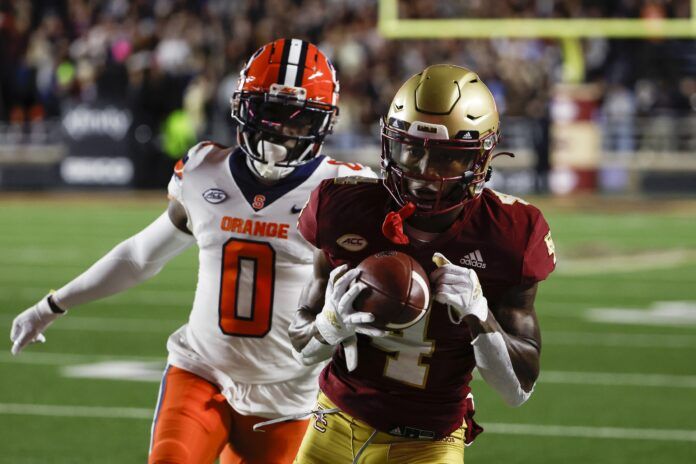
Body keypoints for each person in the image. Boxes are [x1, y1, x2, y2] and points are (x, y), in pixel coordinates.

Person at [9, 38, 374, 464]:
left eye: (297, 121)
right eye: (269, 112)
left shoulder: (345, 190)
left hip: (289, 397)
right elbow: (141, 255)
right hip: (200, 373)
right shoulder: (205, 171)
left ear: (323, 124)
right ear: (243, 106)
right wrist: (54, 303)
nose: (278, 131)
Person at [289, 64, 556, 463]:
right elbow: (301, 346)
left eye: (447, 157)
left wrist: (480, 316)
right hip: (335, 420)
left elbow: (516, 391)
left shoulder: (510, 234)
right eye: (410, 149)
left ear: (481, 157)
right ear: (388, 144)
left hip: (430, 440)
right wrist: (330, 324)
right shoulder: (342, 209)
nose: (423, 173)